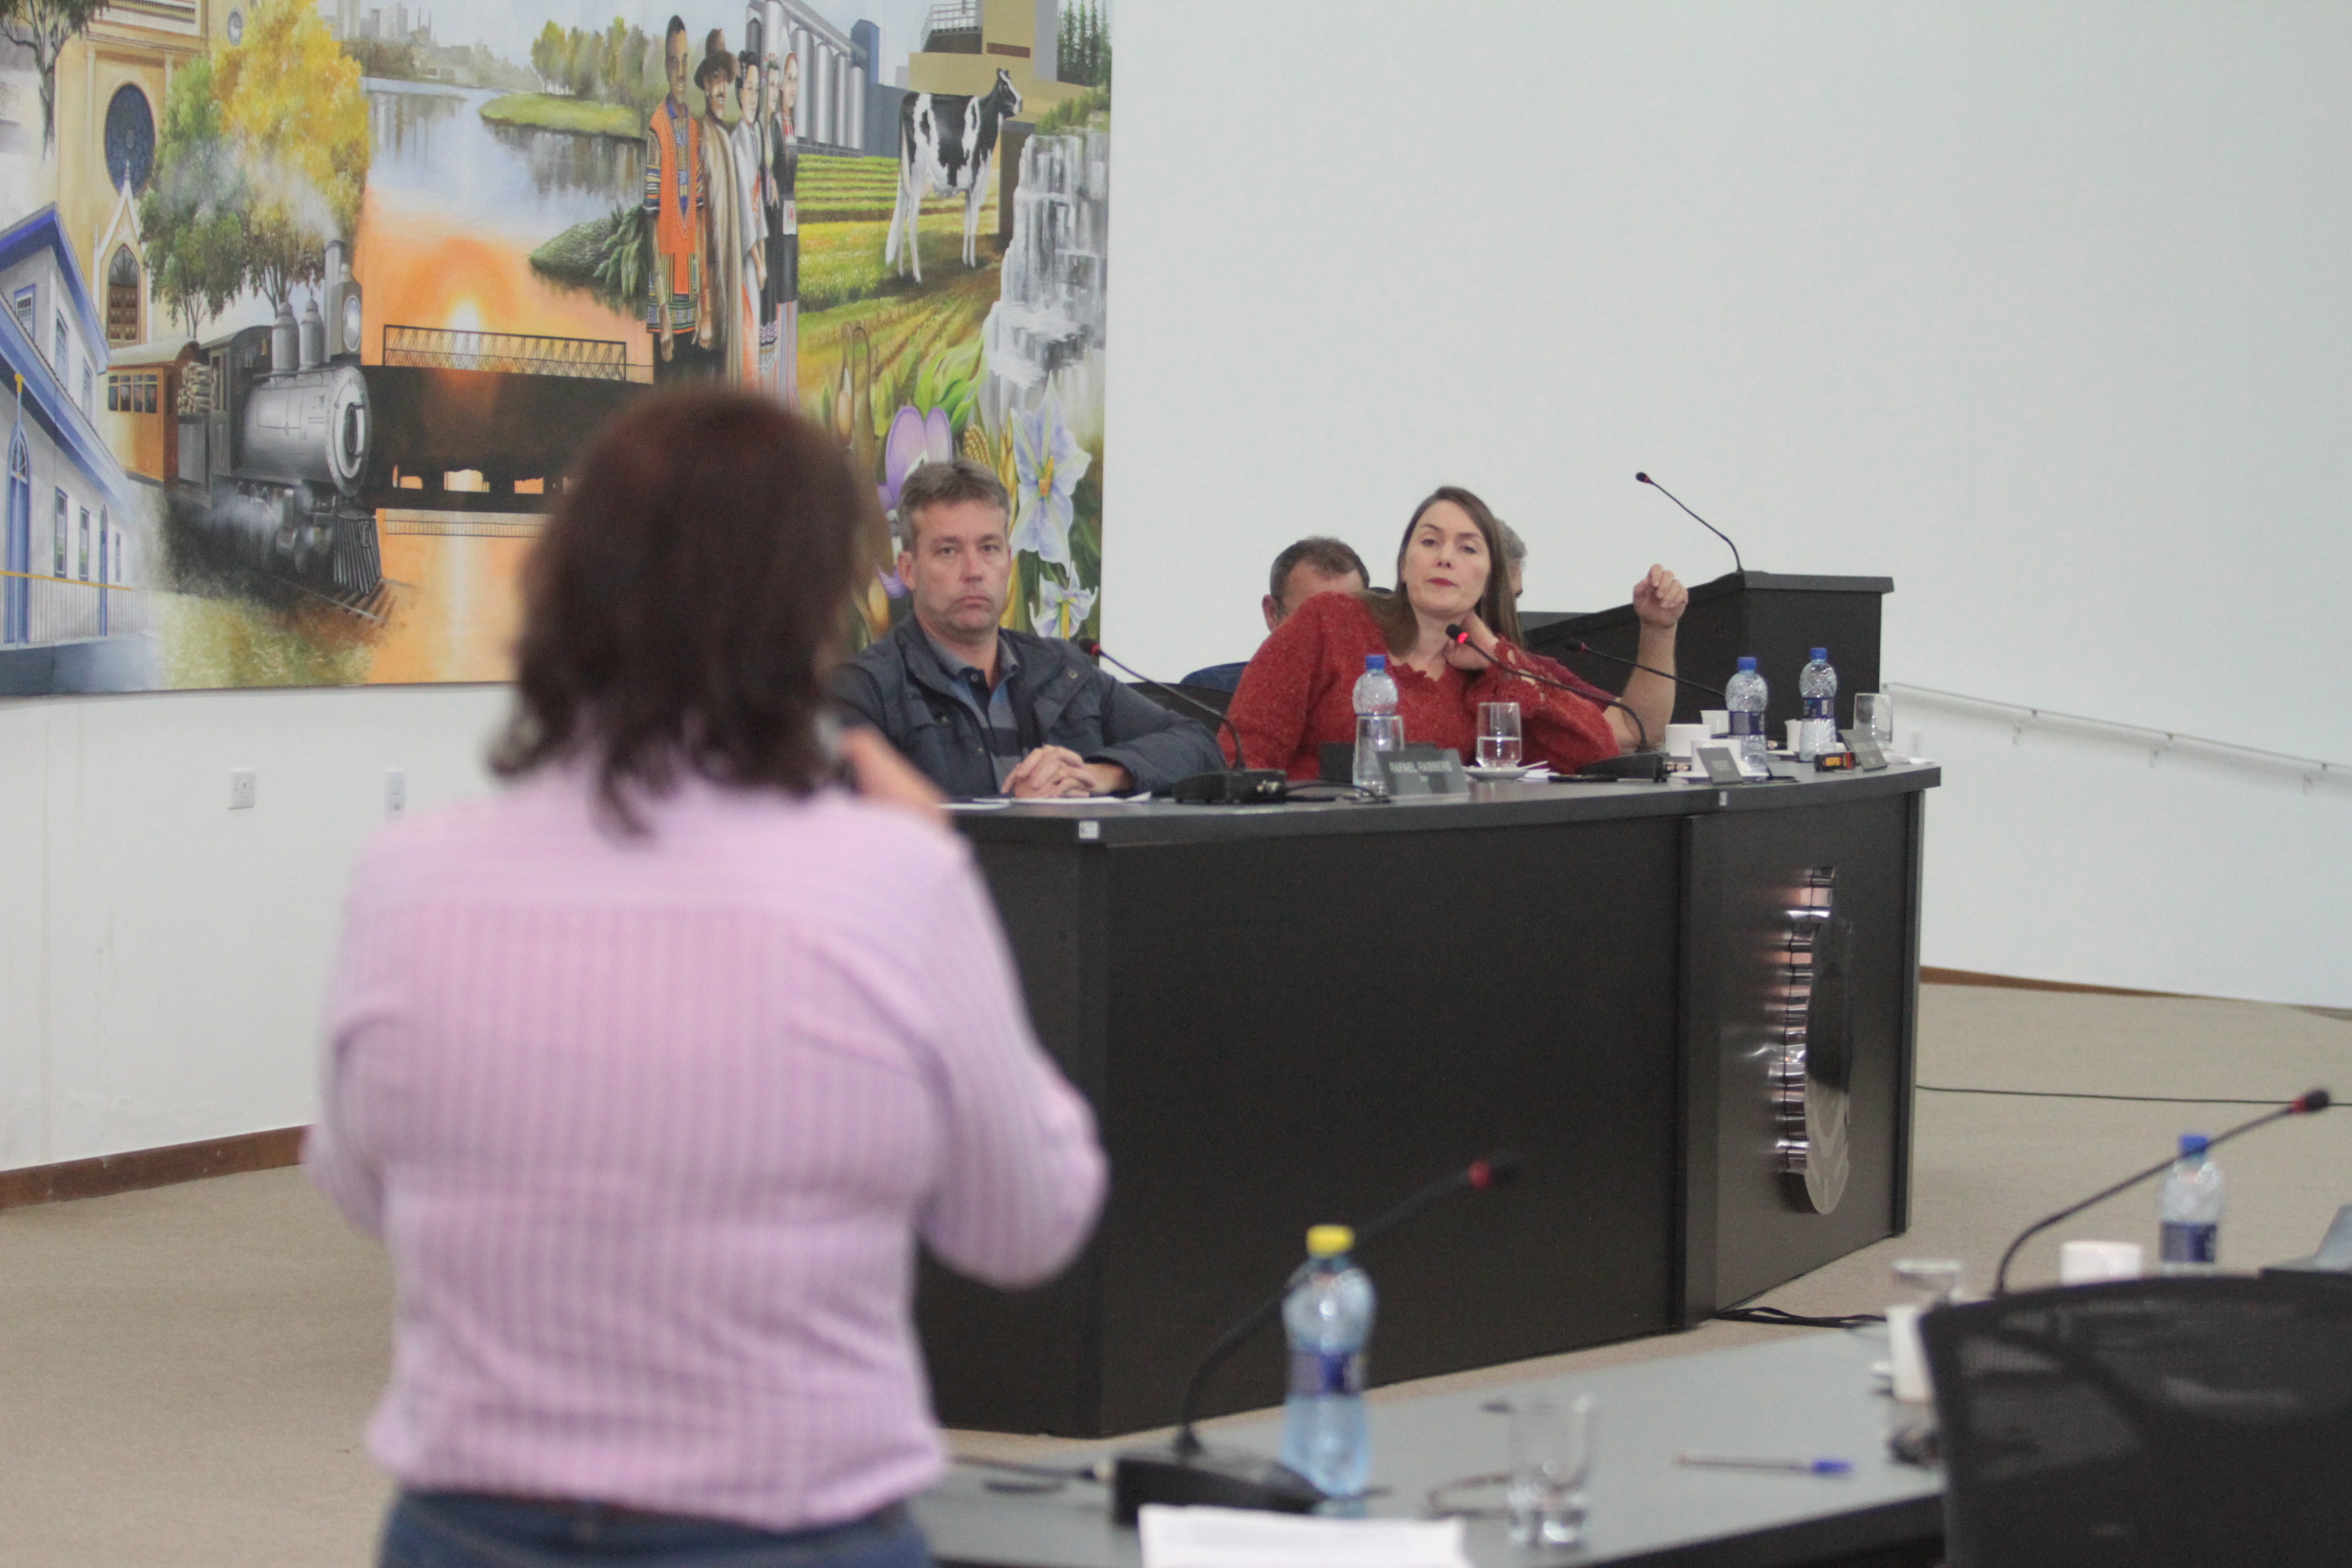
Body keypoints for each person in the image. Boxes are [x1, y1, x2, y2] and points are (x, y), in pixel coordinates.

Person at [307, 390, 1106, 1568]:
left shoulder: (405, 877)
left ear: (561, 587)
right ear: (815, 609)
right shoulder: (893, 879)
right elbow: (1025, 1222)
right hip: (794, 1525)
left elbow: (361, 1184)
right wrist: (945, 879)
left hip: (464, 1524)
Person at [1225, 486, 1688, 779]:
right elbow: (1245, 756)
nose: (1445, 557)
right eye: (1429, 542)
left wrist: (1500, 659)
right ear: (1403, 565)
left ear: (1489, 578)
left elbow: (1596, 751)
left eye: (1468, 549)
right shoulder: (1330, 621)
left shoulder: (1489, 670)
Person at [830, 458, 1225, 798]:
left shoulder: (1064, 669)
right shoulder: (864, 690)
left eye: (988, 548)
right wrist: (1015, 811)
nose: (974, 571)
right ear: (908, 570)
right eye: (948, 551)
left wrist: (1100, 774)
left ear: (1009, 561)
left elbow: (1199, 745)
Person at [1180, 536, 1369, 693]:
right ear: (1272, 613)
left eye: (1347, 618)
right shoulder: (1207, 692)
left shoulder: (1379, 695)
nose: (1331, 634)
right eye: (1311, 618)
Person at [696, 37, 762, 385]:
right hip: (712, 288)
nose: (722, 88)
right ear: (706, 85)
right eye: (715, 79)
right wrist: (704, 306)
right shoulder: (701, 137)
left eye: (726, 79)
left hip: (730, 283)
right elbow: (699, 224)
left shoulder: (725, 134)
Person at [642, 17, 706, 371]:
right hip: (666, 301)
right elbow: (650, 223)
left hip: (692, 301)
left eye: (684, 61)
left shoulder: (694, 129)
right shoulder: (656, 128)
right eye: (673, 62)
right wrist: (663, 311)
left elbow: (698, 218)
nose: (681, 72)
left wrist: (703, 303)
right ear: (666, 68)